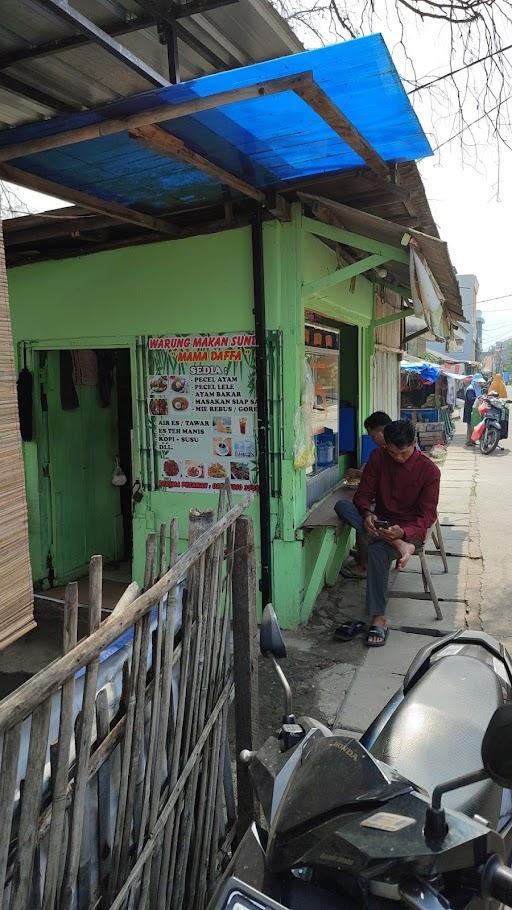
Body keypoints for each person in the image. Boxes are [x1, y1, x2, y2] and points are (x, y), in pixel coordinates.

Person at [334, 420, 440, 648]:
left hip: (408, 528)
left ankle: (378, 617)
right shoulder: (378, 458)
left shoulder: (429, 471)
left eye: (403, 453)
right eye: (392, 452)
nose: (398, 458)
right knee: (342, 507)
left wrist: (404, 532)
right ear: (385, 446)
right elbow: (362, 496)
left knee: (376, 550)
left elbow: (427, 516)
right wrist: (367, 514)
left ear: (413, 443)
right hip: (380, 522)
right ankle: (400, 546)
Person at [336, 411, 391, 580]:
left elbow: (384, 480)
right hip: (378, 507)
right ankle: (368, 546)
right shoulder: (380, 453)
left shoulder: (394, 451)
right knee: (348, 507)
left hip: (391, 513)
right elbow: (374, 479)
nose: (372, 439)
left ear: (381, 431)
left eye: (372, 434)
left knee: (363, 521)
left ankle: (365, 562)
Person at [463, 374, 484, 446]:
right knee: (470, 426)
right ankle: (469, 441)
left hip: (475, 410)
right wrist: (478, 398)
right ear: (475, 382)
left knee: (474, 425)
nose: (480, 383)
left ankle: (473, 440)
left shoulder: (478, 388)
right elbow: (470, 398)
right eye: (479, 382)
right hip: (470, 410)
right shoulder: (470, 389)